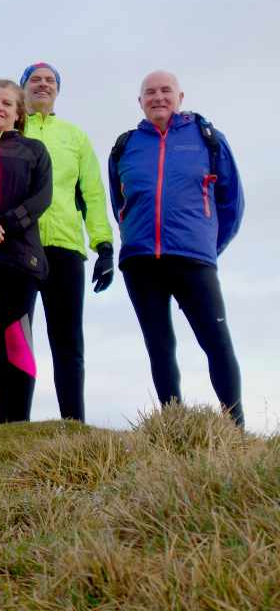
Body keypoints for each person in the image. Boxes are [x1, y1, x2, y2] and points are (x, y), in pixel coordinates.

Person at [109, 71, 244, 427]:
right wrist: (134, 237)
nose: (158, 97)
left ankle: (236, 426)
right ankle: (173, 425)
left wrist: (209, 245)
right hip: (140, 262)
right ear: (140, 101)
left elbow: (232, 204)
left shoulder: (207, 138)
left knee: (215, 340)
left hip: (194, 259)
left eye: (165, 90)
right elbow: (119, 202)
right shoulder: (126, 145)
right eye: (150, 92)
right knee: (159, 345)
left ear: (180, 96)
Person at [20, 62, 115, 421]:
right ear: (22, 88)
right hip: (19, 247)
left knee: (68, 341)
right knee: (18, 338)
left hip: (66, 249)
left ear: (57, 90)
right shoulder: (11, 128)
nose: (43, 86)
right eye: (35, 80)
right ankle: (14, 423)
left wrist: (103, 245)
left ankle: (73, 422)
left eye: (50, 81)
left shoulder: (74, 136)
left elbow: (92, 192)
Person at [0, 80, 52, 423]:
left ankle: (16, 423)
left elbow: (41, 198)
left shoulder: (34, 150)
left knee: (15, 337)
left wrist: (5, 224)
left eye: (7, 103)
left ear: (19, 112)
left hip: (20, 258)